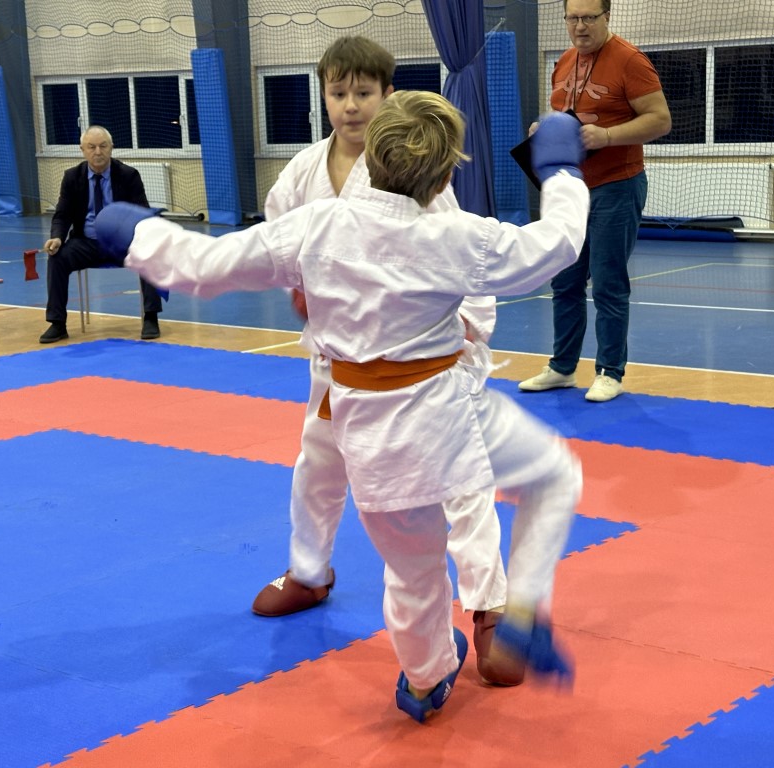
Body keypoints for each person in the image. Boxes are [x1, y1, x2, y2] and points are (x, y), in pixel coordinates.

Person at [95, 92, 589, 722]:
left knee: (412, 571)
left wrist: (139, 234)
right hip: (449, 413)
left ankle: (424, 681)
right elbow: (558, 242)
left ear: (370, 159)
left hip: (369, 430)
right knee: (553, 476)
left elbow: (206, 265)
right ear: (443, 178)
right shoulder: (457, 235)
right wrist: (561, 173)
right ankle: (521, 609)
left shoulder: (316, 226)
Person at [250, 36, 521, 687]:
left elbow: (465, 256)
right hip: (339, 362)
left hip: (430, 365)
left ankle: (491, 609)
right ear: (324, 95)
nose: (350, 106)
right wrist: (296, 284)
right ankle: (309, 572)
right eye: (338, 93)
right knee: (317, 466)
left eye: (363, 93)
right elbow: (275, 238)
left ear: (387, 95)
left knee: (461, 485)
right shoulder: (304, 172)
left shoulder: (414, 171)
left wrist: (468, 335)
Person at [519, 0, 671, 401]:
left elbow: (660, 119)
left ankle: (609, 371)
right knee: (565, 280)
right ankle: (562, 367)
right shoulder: (565, 61)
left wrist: (607, 136)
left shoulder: (630, 60)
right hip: (571, 190)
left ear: (607, 17)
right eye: (573, 18)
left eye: (589, 18)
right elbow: (567, 116)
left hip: (616, 186)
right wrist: (546, 131)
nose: (580, 26)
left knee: (607, 283)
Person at [38, 125, 165, 343]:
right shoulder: (72, 177)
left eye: (103, 146)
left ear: (111, 148)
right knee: (57, 258)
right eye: (92, 147)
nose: (98, 152)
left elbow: (142, 213)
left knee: (149, 253)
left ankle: (151, 317)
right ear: (83, 150)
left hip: (121, 244)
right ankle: (57, 323)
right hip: (85, 243)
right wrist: (57, 237)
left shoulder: (128, 175)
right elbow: (62, 215)